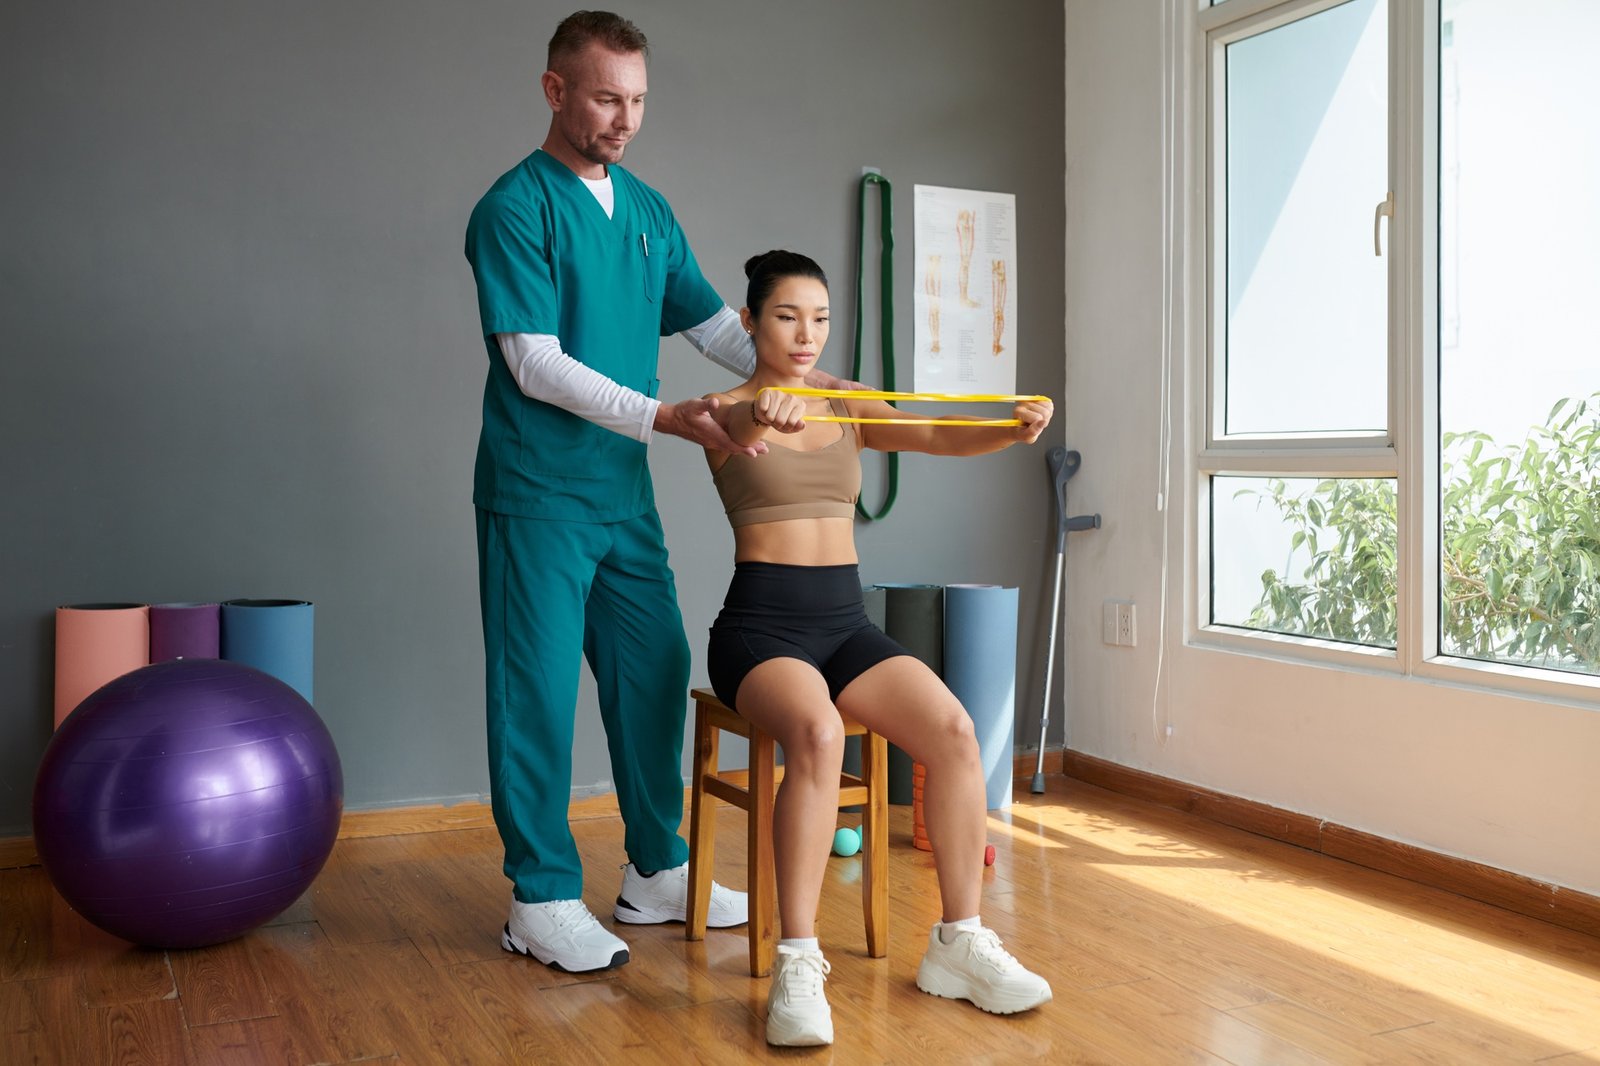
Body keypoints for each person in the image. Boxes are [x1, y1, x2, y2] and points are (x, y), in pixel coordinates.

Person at [462, 13, 851, 974]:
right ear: (555, 92)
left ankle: (655, 870)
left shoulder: (644, 209)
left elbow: (717, 327)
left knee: (654, 665)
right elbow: (533, 363)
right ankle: (540, 895)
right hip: (538, 494)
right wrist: (663, 418)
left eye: (637, 100)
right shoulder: (513, 208)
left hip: (620, 498)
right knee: (539, 694)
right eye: (605, 97)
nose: (625, 118)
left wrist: (801, 376)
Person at [700, 250, 1055, 1047]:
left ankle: (958, 943)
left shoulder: (851, 401)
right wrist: (770, 410)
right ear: (751, 320)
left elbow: (931, 432)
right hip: (761, 631)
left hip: (842, 623)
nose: (806, 334)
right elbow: (743, 426)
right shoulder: (720, 408)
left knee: (955, 732)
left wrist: (1011, 428)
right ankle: (797, 961)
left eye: (820, 319)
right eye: (787, 316)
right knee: (820, 733)